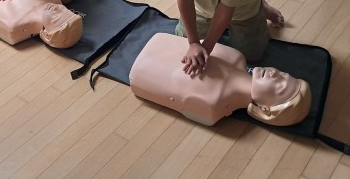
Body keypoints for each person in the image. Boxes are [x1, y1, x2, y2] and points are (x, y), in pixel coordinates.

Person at [129, 33, 311, 127]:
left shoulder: (213, 103)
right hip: (155, 49)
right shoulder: (236, 57)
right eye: (283, 74)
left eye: (279, 87)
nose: (275, 74)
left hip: (141, 70)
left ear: (265, 109)